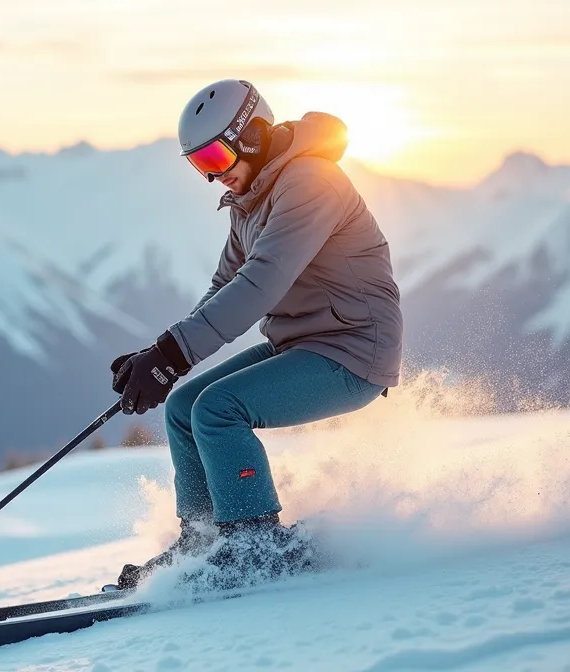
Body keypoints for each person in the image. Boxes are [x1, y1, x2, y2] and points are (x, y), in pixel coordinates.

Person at [111, 79, 403, 591]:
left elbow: (261, 282)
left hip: (354, 349)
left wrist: (173, 354)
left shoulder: (311, 183)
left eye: (217, 158)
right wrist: (160, 353)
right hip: (306, 342)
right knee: (184, 408)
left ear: (253, 136)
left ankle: (254, 546)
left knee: (219, 410)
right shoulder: (253, 196)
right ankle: (203, 544)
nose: (213, 177)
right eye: (200, 165)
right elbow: (225, 284)